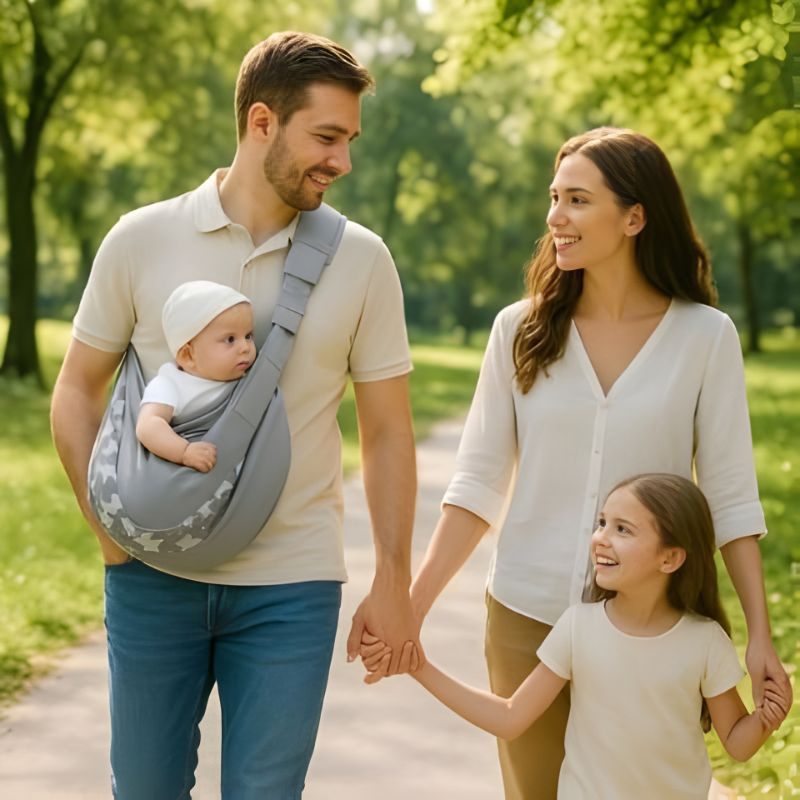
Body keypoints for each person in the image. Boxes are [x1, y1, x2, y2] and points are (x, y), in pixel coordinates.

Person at [360, 127, 792, 799]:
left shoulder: (706, 338)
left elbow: (732, 498)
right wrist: (410, 609)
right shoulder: (521, 331)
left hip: (647, 631)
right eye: (554, 198)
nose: (554, 218)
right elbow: (475, 487)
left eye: (577, 200)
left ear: (634, 215)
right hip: (526, 615)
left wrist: (760, 635)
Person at [51, 31, 420, 799]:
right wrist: (108, 534)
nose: (342, 161)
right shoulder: (142, 238)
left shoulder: (363, 260)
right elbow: (77, 391)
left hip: (293, 585)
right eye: (326, 137)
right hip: (153, 580)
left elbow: (388, 430)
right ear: (261, 123)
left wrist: (394, 579)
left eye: (349, 140)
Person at [364, 474, 792, 799]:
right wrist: (419, 668)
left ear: (671, 557)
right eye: (603, 522)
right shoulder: (579, 627)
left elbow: (737, 744)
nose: (601, 539)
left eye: (623, 529)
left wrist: (766, 718)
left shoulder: (705, 642)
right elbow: (511, 717)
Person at [136, 280, 256, 472]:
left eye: (248, 336)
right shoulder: (171, 384)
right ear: (188, 355)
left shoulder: (247, 378)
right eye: (230, 339)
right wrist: (184, 451)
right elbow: (148, 425)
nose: (245, 347)